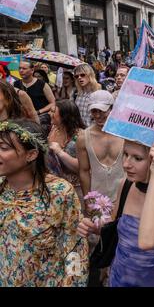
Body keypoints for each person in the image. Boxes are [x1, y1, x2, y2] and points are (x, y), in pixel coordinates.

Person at [77, 133, 154, 287]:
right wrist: (95, 227)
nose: (125, 164)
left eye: (137, 158)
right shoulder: (125, 185)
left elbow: (147, 240)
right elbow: (115, 224)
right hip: (117, 279)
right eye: (125, 154)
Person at [0, 119, 88, 286]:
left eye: (4, 148)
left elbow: (75, 247)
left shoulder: (60, 192)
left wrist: (73, 283)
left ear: (31, 155)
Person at [76, 90, 124, 203]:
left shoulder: (124, 134)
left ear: (112, 108)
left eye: (102, 111)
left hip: (124, 197)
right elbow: (84, 171)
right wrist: (88, 200)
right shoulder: (83, 137)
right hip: (97, 200)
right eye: (94, 111)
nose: (98, 115)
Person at [47, 100, 86, 200]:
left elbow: (83, 167)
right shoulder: (54, 129)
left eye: (53, 111)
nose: (49, 113)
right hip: (54, 187)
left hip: (74, 190)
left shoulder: (80, 136)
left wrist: (60, 152)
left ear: (65, 116)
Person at [14, 61, 55, 132]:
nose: (21, 70)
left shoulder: (42, 84)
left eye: (24, 68)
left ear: (32, 70)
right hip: (23, 121)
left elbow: (53, 102)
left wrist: (38, 111)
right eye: (20, 68)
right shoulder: (15, 84)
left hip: (40, 120)